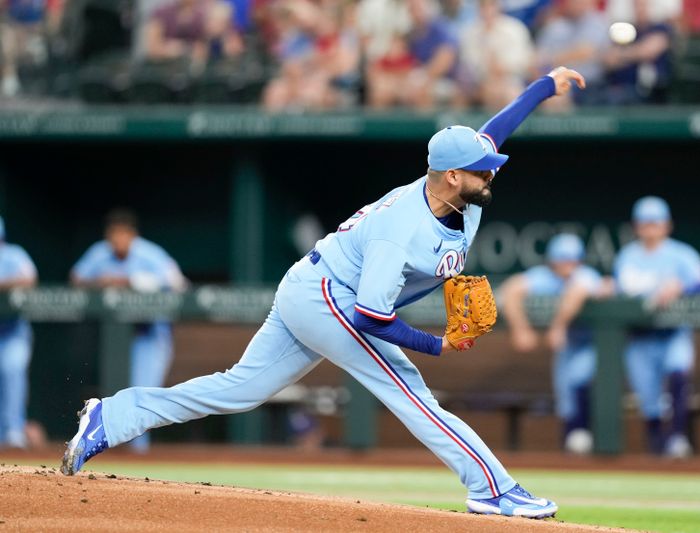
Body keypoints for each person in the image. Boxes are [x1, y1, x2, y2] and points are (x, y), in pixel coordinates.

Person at [61, 66, 587, 520]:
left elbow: (496, 130)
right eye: (481, 170)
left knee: (238, 390)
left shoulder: (455, 188)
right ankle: (492, 490)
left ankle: (114, 416)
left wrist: (546, 85)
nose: (490, 172)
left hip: (312, 287)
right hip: (330, 298)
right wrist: (434, 345)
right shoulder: (400, 232)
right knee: (407, 389)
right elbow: (370, 319)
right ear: (452, 176)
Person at [70, 209, 187, 452]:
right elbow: (76, 279)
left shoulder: (150, 254)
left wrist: (134, 281)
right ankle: (116, 450)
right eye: (113, 235)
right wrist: (100, 281)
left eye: (123, 235)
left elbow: (179, 285)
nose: (118, 240)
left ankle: (138, 452)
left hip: (150, 333)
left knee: (143, 390)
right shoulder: (99, 253)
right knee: (116, 392)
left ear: (132, 235)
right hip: (113, 336)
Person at [614, 196, 700, 457]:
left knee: (678, 372)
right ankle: (656, 452)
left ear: (666, 225)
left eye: (655, 223)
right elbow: (621, 291)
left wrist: (682, 285)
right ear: (637, 226)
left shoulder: (681, 254)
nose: (650, 228)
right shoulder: (628, 256)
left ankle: (679, 437)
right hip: (639, 337)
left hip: (673, 333)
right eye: (645, 223)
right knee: (649, 400)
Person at [500, 234, 612, 454]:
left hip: (593, 343)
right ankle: (570, 445)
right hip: (568, 347)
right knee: (565, 395)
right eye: (562, 260)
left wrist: (558, 327)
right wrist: (521, 328)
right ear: (552, 261)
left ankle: (583, 434)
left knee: (581, 380)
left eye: (572, 260)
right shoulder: (545, 277)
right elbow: (510, 289)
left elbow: (577, 292)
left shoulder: (585, 276)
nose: (567, 266)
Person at [0, 216, 37, 448]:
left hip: (12, 331)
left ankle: (12, 431)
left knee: (12, 371)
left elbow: (29, 279)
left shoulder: (13, 254)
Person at [461, 0, 535, 109]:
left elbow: (524, 61)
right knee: (490, 92)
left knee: (511, 94)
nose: (487, 10)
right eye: (483, 6)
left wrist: (503, 69)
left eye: (491, 5)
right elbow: (468, 64)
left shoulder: (515, 29)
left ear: (499, 7)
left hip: (512, 80)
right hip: (481, 82)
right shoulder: (470, 32)